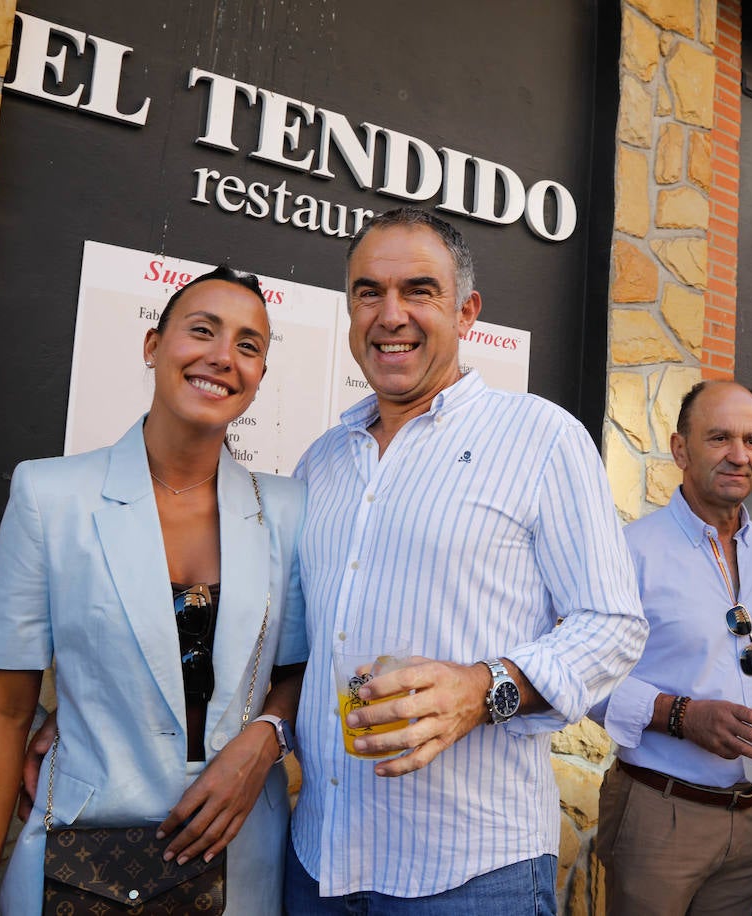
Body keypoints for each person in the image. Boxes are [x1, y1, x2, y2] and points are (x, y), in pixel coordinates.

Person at [283, 207, 648, 912]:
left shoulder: (541, 436)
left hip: (472, 874)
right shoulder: (321, 461)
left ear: (466, 311)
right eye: (368, 292)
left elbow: (613, 623)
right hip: (320, 861)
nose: (391, 315)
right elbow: (292, 643)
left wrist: (487, 688)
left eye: (418, 290)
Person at [0, 266, 306, 915]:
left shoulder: (290, 511)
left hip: (241, 866)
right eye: (202, 330)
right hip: (82, 866)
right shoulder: (50, 497)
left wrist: (265, 737)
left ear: (260, 375)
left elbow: (301, 669)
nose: (222, 357)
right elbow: (5, 710)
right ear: (153, 346)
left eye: (248, 345)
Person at [592, 381, 752, 916]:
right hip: (663, 816)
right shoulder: (629, 552)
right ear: (680, 449)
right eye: (719, 438)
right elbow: (583, 678)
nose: (739, 455)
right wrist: (681, 715)